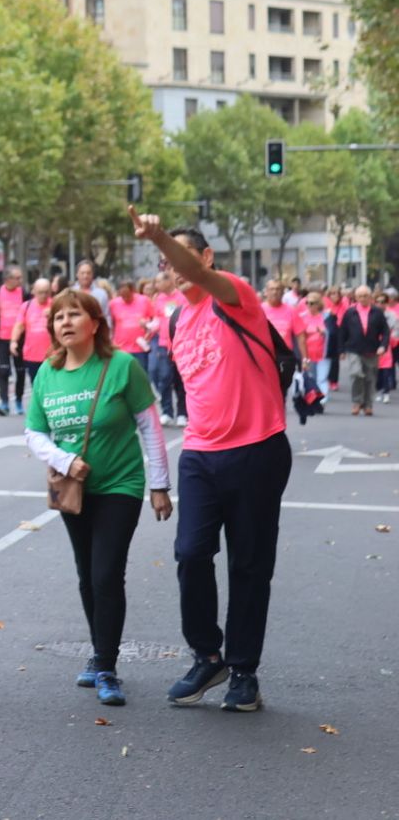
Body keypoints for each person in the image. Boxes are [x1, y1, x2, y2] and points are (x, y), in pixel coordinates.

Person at [130, 207, 291, 713]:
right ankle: (208, 655)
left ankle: (244, 671)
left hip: (257, 449)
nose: (171, 268)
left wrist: (158, 233)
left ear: (205, 257)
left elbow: (197, 275)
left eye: (177, 257)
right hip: (200, 454)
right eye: (162, 260)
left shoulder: (235, 296)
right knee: (190, 553)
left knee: (249, 565)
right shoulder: (176, 321)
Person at [24, 289, 172, 706]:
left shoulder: (121, 366)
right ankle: (98, 651)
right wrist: (63, 459)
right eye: (58, 317)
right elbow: (33, 433)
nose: (65, 322)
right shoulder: (47, 372)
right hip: (74, 489)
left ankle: (106, 665)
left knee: (107, 574)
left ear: (95, 323)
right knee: (87, 574)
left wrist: (159, 486)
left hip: (120, 486)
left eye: (75, 315)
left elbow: (150, 427)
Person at [338, 284, 390, 416]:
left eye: (365, 296)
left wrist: (383, 346)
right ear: (355, 297)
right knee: (356, 374)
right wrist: (341, 350)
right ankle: (357, 402)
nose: (363, 298)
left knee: (369, 378)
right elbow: (343, 332)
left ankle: (368, 404)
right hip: (353, 349)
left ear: (370, 297)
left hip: (372, 350)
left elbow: (385, 331)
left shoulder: (377, 312)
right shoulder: (350, 312)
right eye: (360, 296)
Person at [9, 279, 54, 415]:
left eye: (46, 292)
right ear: (34, 291)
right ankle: (40, 410)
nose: (43, 295)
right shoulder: (26, 306)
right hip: (32, 354)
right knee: (37, 384)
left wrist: (52, 314)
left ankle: (50, 409)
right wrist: (13, 341)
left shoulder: (55, 305)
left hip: (53, 354)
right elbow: (19, 325)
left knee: (51, 384)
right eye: (40, 292)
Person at [0, 268, 27, 416]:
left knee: (20, 370)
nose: (20, 281)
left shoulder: (23, 293)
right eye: (17, 278)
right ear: (8, 280)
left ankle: (19, 400)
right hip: (2, 338)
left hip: (20, 338)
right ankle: (4, 402)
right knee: (3, 370)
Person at [150, 272, 186, 426]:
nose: (156, 286)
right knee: (164, 378)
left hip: (181, 344)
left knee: (180, 381)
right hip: (164, 345)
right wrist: (150, 326)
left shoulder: (182, 297)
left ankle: (182, 414)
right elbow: (157, 319)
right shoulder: (158, 299)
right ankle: (166, 411)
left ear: (168, 281)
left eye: (158, 282)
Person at [108, 280, 157, 374]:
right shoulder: (113, 304)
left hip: (140, 347)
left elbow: (155, 320)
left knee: (141, 374)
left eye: (127, 295)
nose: (125, 298)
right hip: (121, 347)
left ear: (133, 291)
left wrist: (147, 325)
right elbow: (110, 323)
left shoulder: (144, 300)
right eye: (122, 296)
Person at [260, 280, 308, 366]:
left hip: (285, 357)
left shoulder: (291, 310)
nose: (275, 292)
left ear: (283, 292)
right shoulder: (259, 310)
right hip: (265, 356)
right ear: (266, 292)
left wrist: (305, 359)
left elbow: (301, 337)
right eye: (272, 289)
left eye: (278, 289)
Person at [301, 291, 333, 392]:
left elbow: (333, 333)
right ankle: (312, 398)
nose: (309, 305)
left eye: (312, 303)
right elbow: (298, 335)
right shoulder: (302, 317)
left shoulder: (326, 316)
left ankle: (322, 400)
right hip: (307, 353)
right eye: (307, 303)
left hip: (323, 353)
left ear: (318, 304)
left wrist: (325, 332)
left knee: (322, 378)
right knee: (311, 377)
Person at [324, 284, 349, 391]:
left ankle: (334, 381)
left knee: (335, 359)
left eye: (337, 294)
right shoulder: (324, 304)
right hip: (326, 335)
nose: (335, 296)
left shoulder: (344, 305)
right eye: (332, 294)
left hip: (338, 333)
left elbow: (343, 320)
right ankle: (325, 378)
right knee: (325, 359)